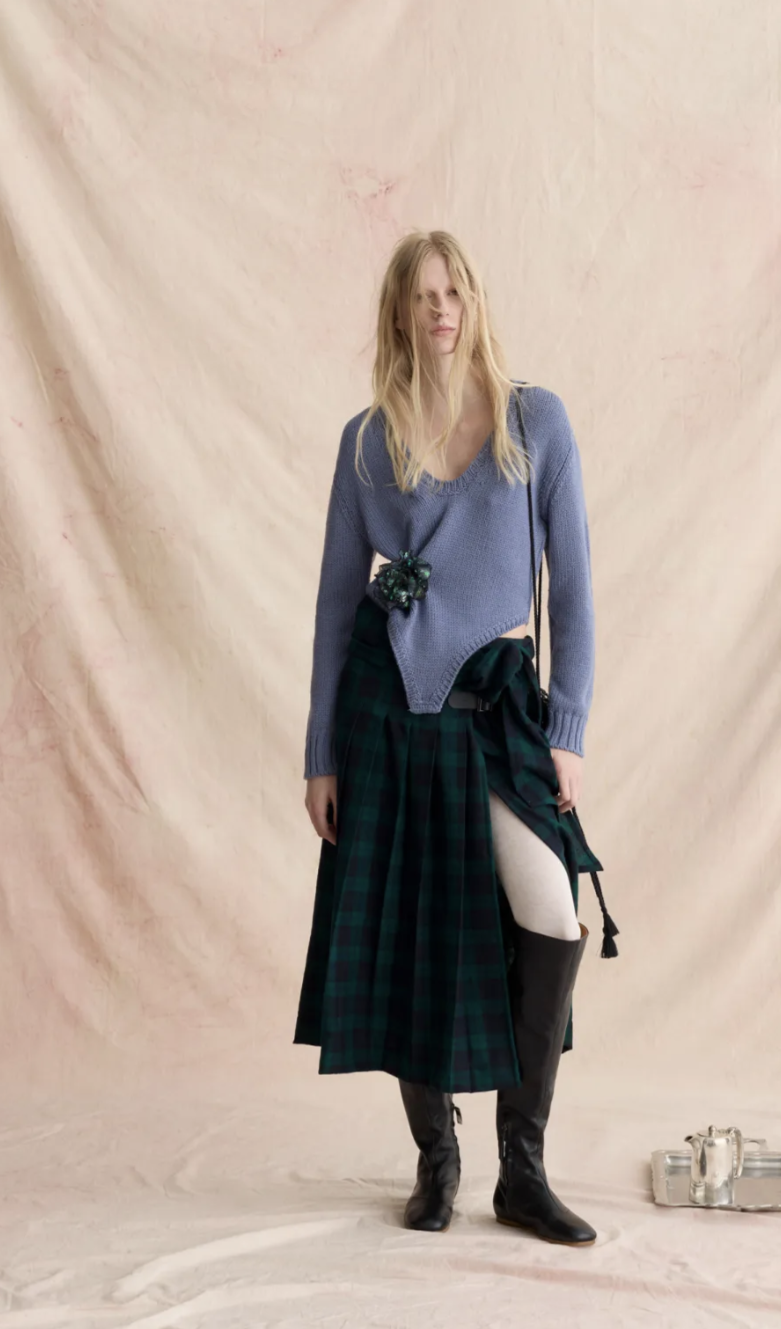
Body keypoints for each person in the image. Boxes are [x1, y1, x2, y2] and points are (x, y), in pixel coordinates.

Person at [294, 229, 618, 1247]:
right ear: (399, 313)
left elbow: (572, 583)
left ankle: (521, 1169)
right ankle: (436, 1159)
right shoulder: (367, 441)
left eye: (453, 291)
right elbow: (335, 601)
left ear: (472, 303)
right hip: (390, 713)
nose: (439, 308)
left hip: (499, 708)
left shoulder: (533, 421)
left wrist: (566, 726)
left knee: (551, 911)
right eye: (421, 295)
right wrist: (321, 753)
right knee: (416, 934)